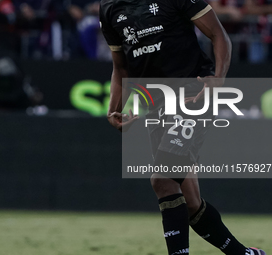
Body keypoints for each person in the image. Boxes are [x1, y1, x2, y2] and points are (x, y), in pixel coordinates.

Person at [99, 1, 266, 255]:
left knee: (163, 179)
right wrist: (113, 110)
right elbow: (120, 66)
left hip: (193, 95)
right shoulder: (109, 7)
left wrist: (218, 78)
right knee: (189, 203)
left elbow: (218, 34)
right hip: (156, 104)